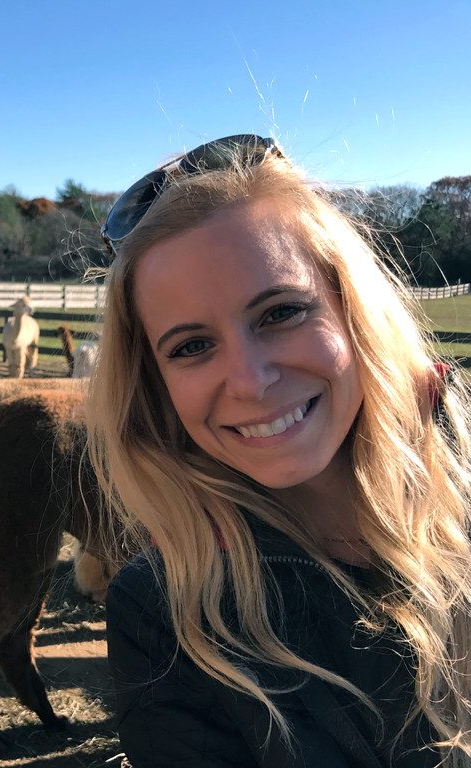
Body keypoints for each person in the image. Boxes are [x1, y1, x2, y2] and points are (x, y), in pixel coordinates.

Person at [84, 135, 471, 768]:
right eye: (190, 347)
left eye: (281, 312)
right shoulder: (167, 613)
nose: (250, 381)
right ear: (156, 386)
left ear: (353, 308)